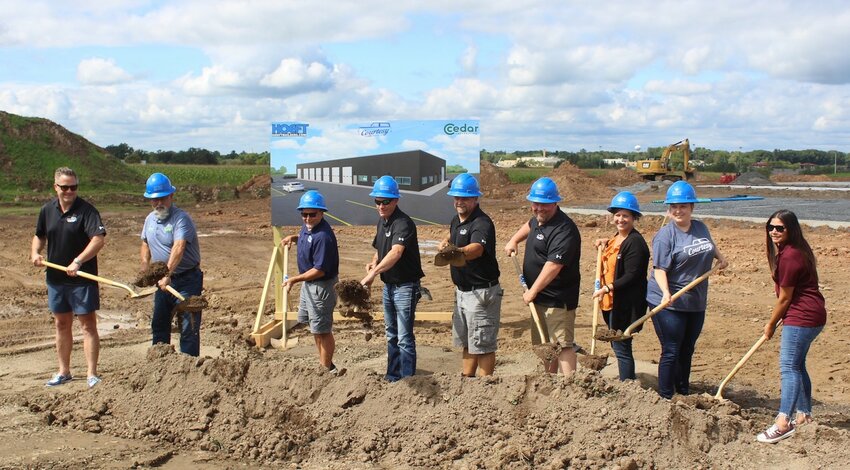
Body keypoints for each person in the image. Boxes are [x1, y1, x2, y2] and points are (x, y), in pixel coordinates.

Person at [646, 181, 728, 399]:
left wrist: (719, 258)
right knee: (672, 349)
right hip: (668, 301)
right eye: (673, 206)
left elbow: (708, 245)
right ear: (668, 208)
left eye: (683, 206)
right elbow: (659, 269)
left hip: (695, 300)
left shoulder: (700, 227)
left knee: (687, 348)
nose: (678, 210)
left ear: (692, 207)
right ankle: (666, 396)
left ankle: (683, 391)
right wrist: (665, 293)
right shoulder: (666, 235)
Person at [31, 167, 106, 388]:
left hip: (82, 278)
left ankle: (92, 374)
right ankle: (64, 372)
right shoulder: (47, 210)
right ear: (56, 187)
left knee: (87, 325)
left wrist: (78, 260)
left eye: (73, 187)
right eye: (65, 187)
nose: (69, 191)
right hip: (56, 279)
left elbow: (98, 239)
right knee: (61, 324)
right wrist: (35, 252)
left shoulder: (87, 211)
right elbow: (39, 236)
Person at [756, 210, 827, 444]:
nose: (774, 232)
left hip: (802, 317)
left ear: (791, 230)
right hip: (812, 315)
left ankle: (783, 422)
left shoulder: (790, 257)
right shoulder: (796, 251)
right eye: (771, 227)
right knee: (797, 365)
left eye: (780, 228)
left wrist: (770, 324)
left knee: (788, 367)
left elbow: (785, 299)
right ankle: (804, 415)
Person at [504, 177, 581, 376]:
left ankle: (569, 386)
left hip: (557, 299)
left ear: (555, 202)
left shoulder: (564, 230)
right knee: (545, 346)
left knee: (562, 345)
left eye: (544, 204)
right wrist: (514, 240)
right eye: (536, 203)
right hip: (539, 298)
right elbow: (529, 226)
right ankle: (549, 380)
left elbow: (553, 266)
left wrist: (532, 291)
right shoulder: (538, 219)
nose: (539, 208)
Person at [361, 175, 424, 382]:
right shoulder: (383, 221)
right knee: (391, 334)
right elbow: (380, 250)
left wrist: (372, 273)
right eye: (377, 201)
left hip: (405, 286)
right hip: (389, 287)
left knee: (404, 337)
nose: (381, 205)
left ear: (396, 200)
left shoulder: (403, 223)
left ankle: (408, 380)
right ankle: (392, 376)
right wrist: (373, 263)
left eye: (385, 201)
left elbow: (396, 252)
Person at [438, 174, 502, 377]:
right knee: (468, 341)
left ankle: (484, 388)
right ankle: (467, 381)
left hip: (481, 293)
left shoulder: (482, 223)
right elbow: (454, 232)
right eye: (456, 197)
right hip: (463, 292)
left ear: (475, 199)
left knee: (483, 344)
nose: (459, 201)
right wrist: (445, 241)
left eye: (464, 198)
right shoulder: (456, 220)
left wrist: (458, 252)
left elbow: (477, 248)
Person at [280, 190, 344, 376]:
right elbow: (307, 237)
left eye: (312, 214)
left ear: (322, 213)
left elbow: (320, 270)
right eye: (304, 214)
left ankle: (326, 370)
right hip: (310, 285)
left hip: (321, 287)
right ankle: (326, 366)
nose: (307, 218)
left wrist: (294, 279)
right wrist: (293, 238)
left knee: (323, 330)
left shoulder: (323, 236)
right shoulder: (309, 228)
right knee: (316, 328)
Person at [140, 173, 204, 356]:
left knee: (188, 326)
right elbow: (145, 242)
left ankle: (189, 366)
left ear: (171, 196)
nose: (158, 203)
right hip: (162, 282)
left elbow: (179, 246)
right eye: (154, 200)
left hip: (186, 280)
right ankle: (160, 365)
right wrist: (145, 265)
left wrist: (168, 274)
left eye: (162, 198)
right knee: (159, 324)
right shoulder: (149, 220)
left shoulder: (181, 219)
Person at [591, 191, 649, 381]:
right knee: (617, 346)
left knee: (622, 346)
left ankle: (627, 384)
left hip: (626, 304)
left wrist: (607, 288)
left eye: (625, 215)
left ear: (634, 217)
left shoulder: (636, 243)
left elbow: (632, 275)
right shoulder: (616, 238)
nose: (620, 219)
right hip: (611, 303)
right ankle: (626, 381)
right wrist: (603, 242)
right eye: (617, 215)